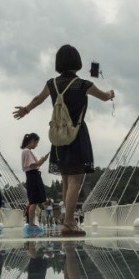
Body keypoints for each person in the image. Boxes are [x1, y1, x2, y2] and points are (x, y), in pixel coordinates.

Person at [13, 44, 114, 236]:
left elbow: (38, 98)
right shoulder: (83, 84)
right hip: (76, 133)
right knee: (76, 178)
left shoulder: (52, 83)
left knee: (67, 178)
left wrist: (25, 110)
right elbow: (104, 96)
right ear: (77, 62)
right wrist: (111, 94)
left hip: (58, 135)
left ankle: (67, 221)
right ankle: (69, 223)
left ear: (58, 63)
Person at [21, 133, 49, 235]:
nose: (36, 145)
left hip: (32, 176)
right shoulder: (27, 151)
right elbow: (34, 165)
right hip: (33, 177)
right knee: (33, 201)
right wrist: (41, 160)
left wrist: (42, 161)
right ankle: (31, 224)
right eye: (36, 142)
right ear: (32, 141)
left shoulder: (26, 152)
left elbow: (35, 165)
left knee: (34, 200)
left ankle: (31, 223)